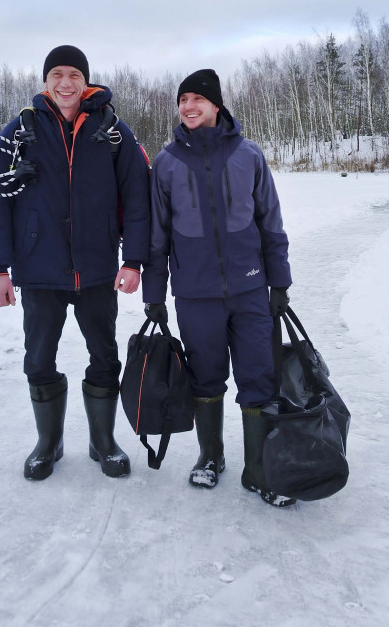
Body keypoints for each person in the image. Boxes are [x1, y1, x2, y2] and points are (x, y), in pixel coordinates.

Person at [0, 45, 150, 481]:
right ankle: (49, 442)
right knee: (38, 359)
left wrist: (132, 260)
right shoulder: (20, 131)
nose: (65, 83)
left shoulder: (113, 131)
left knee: (104, 355)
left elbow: (136, 198)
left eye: (74, 74)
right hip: (39, 270)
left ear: (86, 81)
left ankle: (102, 441)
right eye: (56, 73)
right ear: (45, 82)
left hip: (96, 268)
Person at [142, 69, 294, 507]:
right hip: (195, 294)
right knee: (205, 377)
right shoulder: (167, 162)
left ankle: (260, 469)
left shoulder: (249, 155)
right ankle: (211, 457)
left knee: (258, 377)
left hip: (249, 290)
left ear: (216, 105)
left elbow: (271, 223)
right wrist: (155, 293)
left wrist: (279, 281)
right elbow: (158, 236)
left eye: (197, 99)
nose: (188, 107)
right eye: (182, 100)